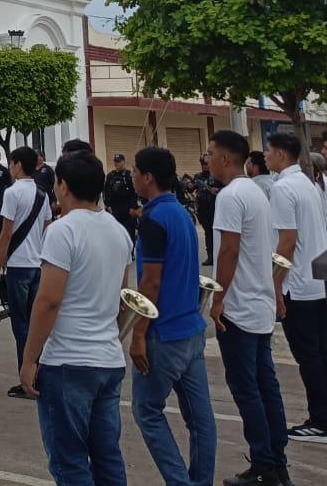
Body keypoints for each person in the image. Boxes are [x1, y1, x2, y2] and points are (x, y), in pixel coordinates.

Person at [19, 151, 133, 486]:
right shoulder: (118, 231)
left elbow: (48, 301)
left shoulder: (62, 231)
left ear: (63, 186)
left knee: (69, 461)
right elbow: (120, 298)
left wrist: (29, 359)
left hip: (68, 362)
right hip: (108, 360)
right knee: (107, 457)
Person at [129, 145, 217, 486]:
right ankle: (200, 479)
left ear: (148, 178)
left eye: (136, 171)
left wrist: (138, 334)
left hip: (163, 334)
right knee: (201, 419)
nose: (132, 176)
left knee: (147, 412)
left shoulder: (153, 219)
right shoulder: (180, 213)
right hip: (192, 328)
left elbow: (150, 281)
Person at [209, 131, 290, 486]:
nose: (207, 159)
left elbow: (229, 250)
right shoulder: (257, 193)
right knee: (265, 384)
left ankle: (263, 464)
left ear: (226, 158)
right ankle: (276, 460)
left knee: (247, 388)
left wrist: (217, 298)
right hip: (258, 303)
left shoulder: (230, 196)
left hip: (239, 307)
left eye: (210, 153)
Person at [265, 132, 327, 446]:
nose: (265, 156)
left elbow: (287, 242)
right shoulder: (308, 184)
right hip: (318, 281)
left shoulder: (282, 188)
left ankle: (322, 421)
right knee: (323, 353)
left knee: (309, 356)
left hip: (300, 285)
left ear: (281, 155)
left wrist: (275, 285)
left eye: (268, 151)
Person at [0, 146, 52, 400]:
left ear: (18, 165)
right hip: (37, 265)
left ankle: (25, 377)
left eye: (11, 163)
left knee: (21, 325)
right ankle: (38, 373)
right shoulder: (42, 194)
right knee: (36, 322)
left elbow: (6, 233)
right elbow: (48, 227)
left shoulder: (12, 193)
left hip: (18, 266)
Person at [104, 153, 140, 240]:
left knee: (129, 234)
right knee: (115, 235)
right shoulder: (110, 176)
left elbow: (134, 192)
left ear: (123, 162)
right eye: (115, 162)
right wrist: (107, 205)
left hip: (127, 210)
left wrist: (132, 207)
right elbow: (106, 191)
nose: (117, 164)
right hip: (114, 210)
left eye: (119, 161)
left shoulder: (129, 175)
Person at [193, 156, 219, 267]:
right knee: (208, 233)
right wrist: (190, 185)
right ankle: (210, 257)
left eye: (206, 164)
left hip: (214, 207)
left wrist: (215, 190)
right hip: (203, 209)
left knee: (216, 233)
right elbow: (191, 188)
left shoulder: (217, 176)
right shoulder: (198, 177)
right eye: (203, 164)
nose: (205, 166)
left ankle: (217, 255)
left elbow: (223, 187)